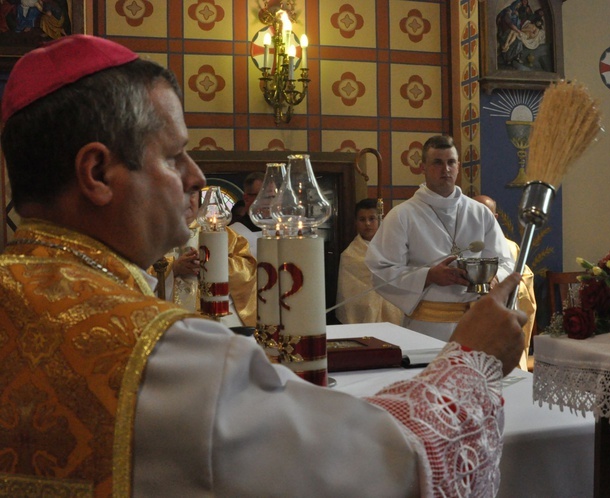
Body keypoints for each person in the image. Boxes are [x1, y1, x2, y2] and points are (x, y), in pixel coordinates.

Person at [0, 35, 527, 496]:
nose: (196, 176)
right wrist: (470, 363)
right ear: (97, 173)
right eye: (174, 156)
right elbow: (373, 469)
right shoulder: (165, 355)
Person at [366, 134, 516, 342]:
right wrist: (428, 276)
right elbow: (380, 270)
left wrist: (494, 278)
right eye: (437, 163)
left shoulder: (480, 213)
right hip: (426, 329)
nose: (445, 170)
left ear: (458, 166)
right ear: (423, 167)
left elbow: (506, 261)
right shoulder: (403, 215)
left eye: (450, 162)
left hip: (478, 324)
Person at [156, 189, 258, 328]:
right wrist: (173, 268)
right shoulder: (152, 235)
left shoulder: (222, 233)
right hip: (167, 321)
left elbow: (248, 269)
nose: (187, 200)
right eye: (179, 192)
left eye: (191, 193)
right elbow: (134, 274)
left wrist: (215, 263)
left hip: (218, 321)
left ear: (198, 198)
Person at [473, 194, 537, 370]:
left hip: (500, 315)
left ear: (495, 218)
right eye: (475, 213)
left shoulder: (509, 247)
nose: (480, 219)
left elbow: (525, 282)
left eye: (485, 214)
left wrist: (497, 281)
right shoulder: (461, 244)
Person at [335, 198, 404, 325]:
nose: (367, 223)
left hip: (394, 308)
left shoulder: (396, 248)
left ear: (380, 220)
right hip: (363, 311)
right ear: (355, 222)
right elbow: (349, 293)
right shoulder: (349, 255)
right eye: (362, 219)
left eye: (372, 219)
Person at [229, 171, 265, 256]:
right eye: (262, 195)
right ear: (246, 198)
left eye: (272, 196)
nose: (268, 202)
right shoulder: (233, 233)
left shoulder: (283, 232)